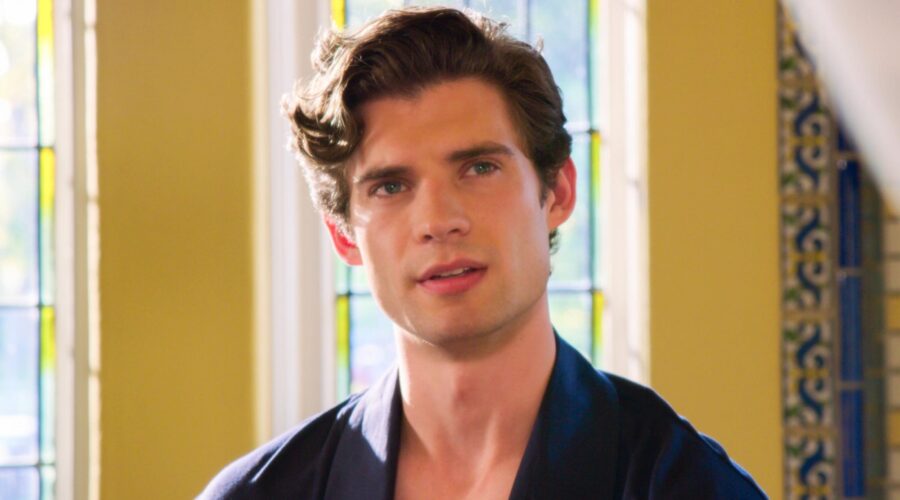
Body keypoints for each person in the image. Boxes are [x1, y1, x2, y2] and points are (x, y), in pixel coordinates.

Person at [200, 7, 767, 499]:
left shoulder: (689, 484)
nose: (438, 221)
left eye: (479, 168)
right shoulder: (258, 494)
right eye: (391, 186)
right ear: (344, 235)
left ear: (557, 192)